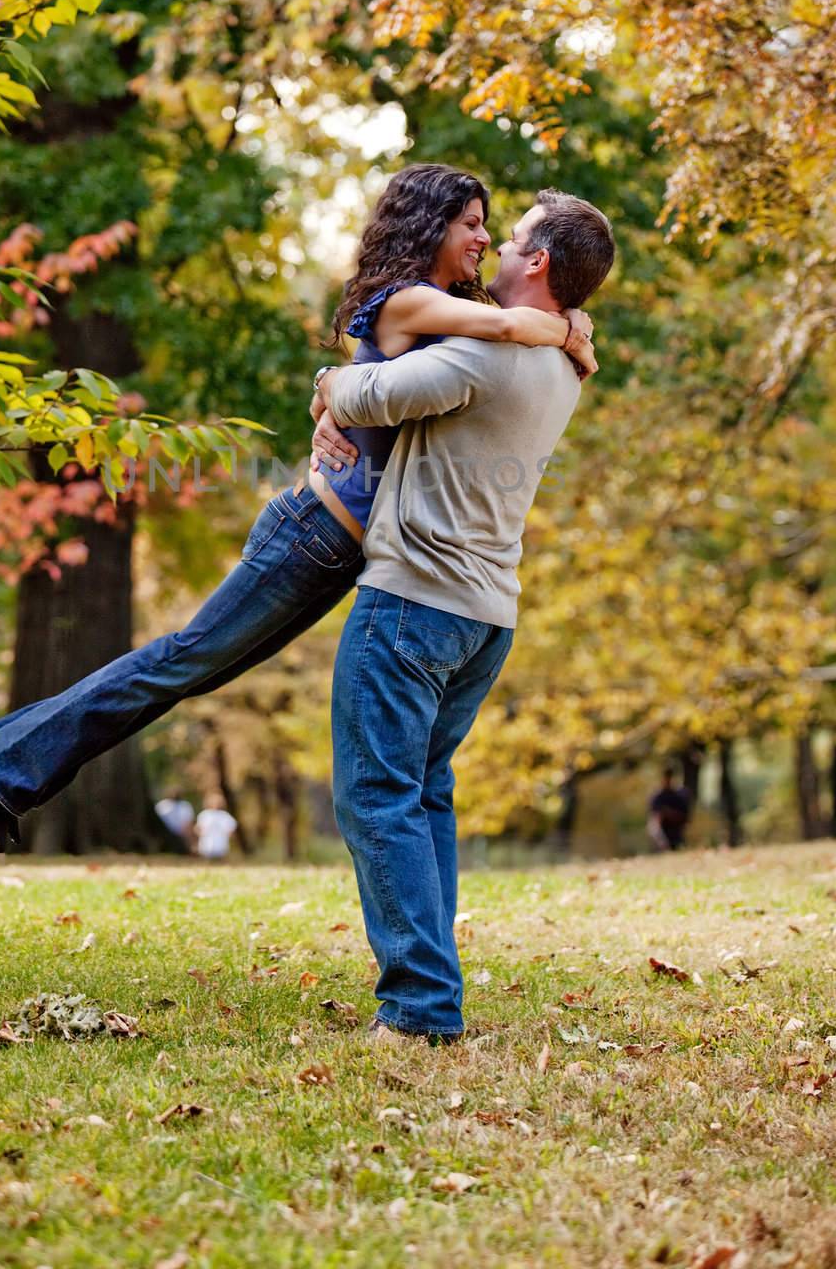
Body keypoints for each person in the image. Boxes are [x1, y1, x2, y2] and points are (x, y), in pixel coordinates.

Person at [0, 164, 597, 851]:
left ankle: (12, 747)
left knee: (195, 668)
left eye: (489, 227)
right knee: (184, 660)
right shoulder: (413, 301)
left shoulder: (453, 309)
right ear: (431, 226)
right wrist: (569, 329)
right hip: (311, 533)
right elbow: (512, 327)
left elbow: (402, 374)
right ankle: (11, 767)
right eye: (471, 224)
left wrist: (327, 391)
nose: (483, 239)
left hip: (340, 551)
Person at [313, 188, 615, 1043]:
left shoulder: (480, 360)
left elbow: (361, 397)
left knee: (377, 798)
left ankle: (417, 1007)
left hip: (412, 603)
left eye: (510, 236)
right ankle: (429, 988)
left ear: (538, 262)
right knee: (424, 796)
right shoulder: (564, 363)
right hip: (486, 617)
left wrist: (326, 382)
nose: (495, 244)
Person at [647, 764, 692, 851]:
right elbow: (655, 817)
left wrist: (669, 813)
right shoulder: (657, 796)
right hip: (661, 831)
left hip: (676, 830)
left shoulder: (680, 795)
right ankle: (662, 844)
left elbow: (685, 817)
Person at [194, 791, 238, 861]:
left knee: (220, 859)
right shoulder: (205, 814)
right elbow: (198, 827)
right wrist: (200, 833)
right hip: (207, 841)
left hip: (220, 841)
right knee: (207, 859)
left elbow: (231, 828)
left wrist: (229, 835)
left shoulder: (225, 815)